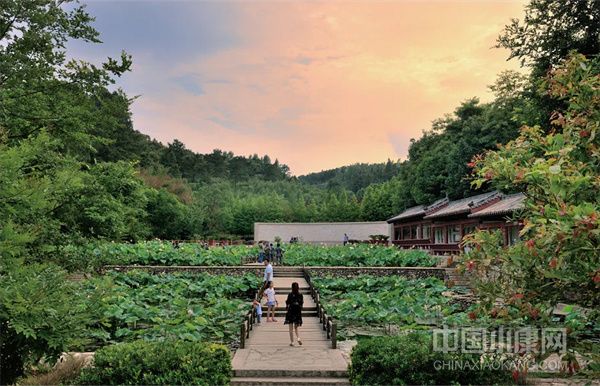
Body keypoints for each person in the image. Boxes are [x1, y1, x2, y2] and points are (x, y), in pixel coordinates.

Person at [284, 282, 303, 346]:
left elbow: (288, 302)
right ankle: (298, 338)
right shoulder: (300, 295)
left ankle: (292, 342)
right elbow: (301, 303)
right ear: (298, 287)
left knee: (290, 328)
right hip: (297, 312)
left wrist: (286, 305)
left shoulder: (290, 294)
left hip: (291, 311)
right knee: (296, 327)